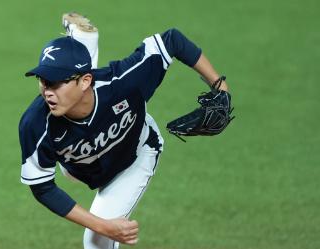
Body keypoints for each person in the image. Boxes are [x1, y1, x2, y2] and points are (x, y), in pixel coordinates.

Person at [19, 12, 229, 249]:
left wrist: (220, 87)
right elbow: (43, 188)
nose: (47, 91)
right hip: (78, 165)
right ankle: (82, 45)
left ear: (84, 80)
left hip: (134, 157)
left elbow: (172, 41)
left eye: (56, 83)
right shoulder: (35, 124)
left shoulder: (125, 82)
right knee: (80, 108)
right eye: (43, 81)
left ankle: (83, 47)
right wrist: (103, 224)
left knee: (96, 243)